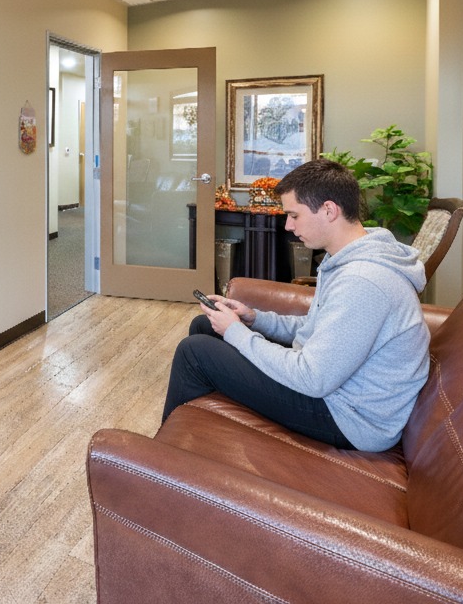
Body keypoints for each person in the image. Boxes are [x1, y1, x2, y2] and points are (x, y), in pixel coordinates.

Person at [163, 158, 429, 452]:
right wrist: (253, 319)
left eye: (294, 215)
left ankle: (162, 460)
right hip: (334, 390)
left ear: (329, 210)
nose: (288, 226)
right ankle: (199, 442)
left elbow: (312, 378)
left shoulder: (364, 281)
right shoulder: (345, 258)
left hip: (350, 418)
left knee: (194, 353)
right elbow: (316, 327)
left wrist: (237, 333)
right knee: (205, 326)